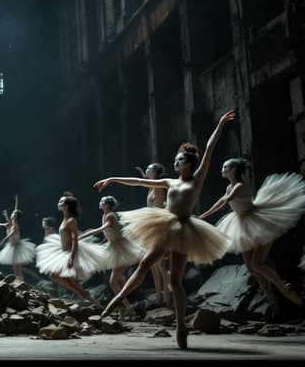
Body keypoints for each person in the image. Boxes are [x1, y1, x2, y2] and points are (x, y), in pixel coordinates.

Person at [93, 110, 235, 349]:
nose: (176, 162)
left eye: (180, 159)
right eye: (176, 159)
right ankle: (117, 298)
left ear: (189, 163)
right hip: (166, 225)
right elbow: (139, 182)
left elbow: (209, 147)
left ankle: (181, 326)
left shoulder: (197, 179)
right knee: (144, 265)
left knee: (174, 279)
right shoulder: (170, 182)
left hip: (184, 229)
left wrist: (220, 124)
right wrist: (113, 179)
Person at [198, 158, 305, 315]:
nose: (222, 169)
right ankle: (272, 299)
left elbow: (225, 201)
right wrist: (202, 216)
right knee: (251, 267)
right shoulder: (229, 187)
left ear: (234, 170)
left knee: (257, 264)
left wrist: (202, 217)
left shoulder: (240, 186)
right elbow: (220, 201)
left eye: (225, 166)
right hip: (242, 224)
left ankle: (283, 287)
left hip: (258, 222)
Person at [35, 192, 105, 306]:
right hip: (63, 251)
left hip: (69, 253)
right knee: (59, 277)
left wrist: (71, 258)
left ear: (67, 206)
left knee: (61, 277)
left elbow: (75, 240)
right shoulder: (64, 219)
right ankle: (85, 296)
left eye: (61, 202)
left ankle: (89, 298)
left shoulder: (71, 220)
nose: (59, 203)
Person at [79, 196, 144, 314]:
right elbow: (108, 234)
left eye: (102, 201)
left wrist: (83, 236)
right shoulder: (105, 215)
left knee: (113, 281)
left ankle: (129, 308)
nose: (100, 202)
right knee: (119, 279)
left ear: (107, 204)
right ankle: (126, 306)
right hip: (114, 247)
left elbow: (102, 229)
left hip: (121, 248)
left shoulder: (110, 215)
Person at [135, 163, 171, 306]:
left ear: (155, 172)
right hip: (150, 225)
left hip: (157, 225)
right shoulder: (152, 185)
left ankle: (168, 300)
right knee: (153, 266)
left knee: (159, 264)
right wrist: (144, 175)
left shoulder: (158, 187)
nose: (147, 170)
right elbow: (145, 182)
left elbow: (160, 207)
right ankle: (158, 299)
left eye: (149, 169)